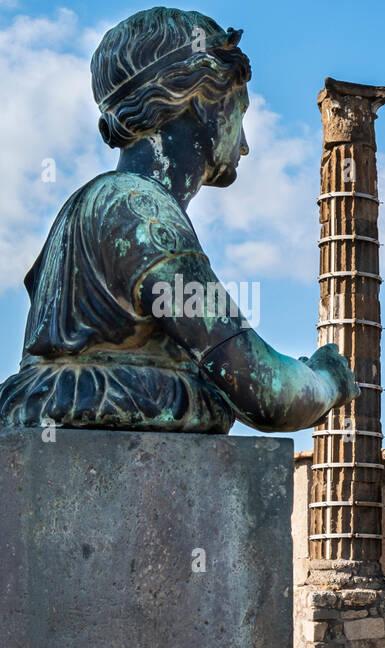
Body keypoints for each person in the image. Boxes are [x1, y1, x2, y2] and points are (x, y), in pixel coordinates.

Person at [0, 7, 357, 433]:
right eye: (239, 113)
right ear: (202, 101)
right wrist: (329, 377)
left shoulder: (82, 209)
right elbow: (266, 393)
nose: (243, 145)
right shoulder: (138, 212)